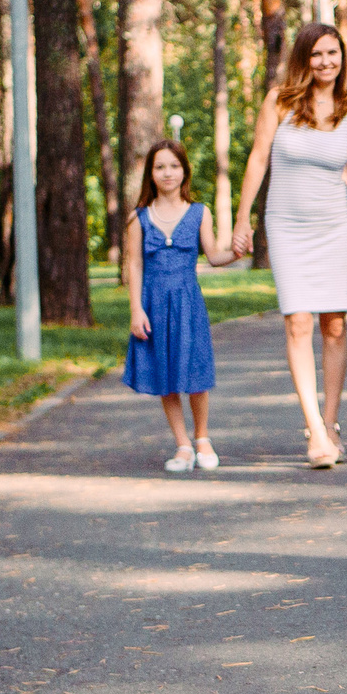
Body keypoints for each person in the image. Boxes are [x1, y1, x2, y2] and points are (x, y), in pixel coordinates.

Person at [234, 23, 347, 468]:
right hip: (286, 225)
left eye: (333, 53)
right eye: (317, 54)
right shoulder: (279, 101)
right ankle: (315, 432)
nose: (326, 62)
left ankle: (331, 420)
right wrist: (242, 216)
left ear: (343, 58)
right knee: (298, 322)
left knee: (334, 326)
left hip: (335, 226)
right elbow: (259, 157)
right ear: (304, 59)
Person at [123, 140, 241, 472]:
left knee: (195, 372)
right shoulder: (139, 218)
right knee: (166, 373)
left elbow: (215, 256)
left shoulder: (199, 212)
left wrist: (236, 253)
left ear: (184, 171)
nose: (167, 173)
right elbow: (134, 266)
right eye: (160, 167)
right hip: (154, 304)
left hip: (188, 303)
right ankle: (182, 445)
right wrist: (136, 309)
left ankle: (202, 438)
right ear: (151, 174)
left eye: (174, 166)